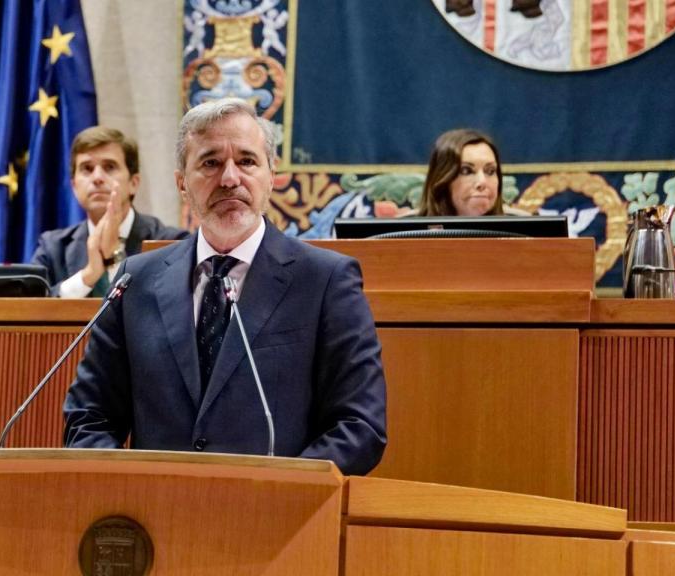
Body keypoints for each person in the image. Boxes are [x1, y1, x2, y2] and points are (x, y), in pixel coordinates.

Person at [63, 98, 387, 475]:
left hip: (278, 519)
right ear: (182, 183)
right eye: (211, 163)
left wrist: (282, 492)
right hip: (155, 517)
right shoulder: (136, 281)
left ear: (270, 175)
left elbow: (359, 425)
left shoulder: (325, 280)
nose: (230, 178)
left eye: (247, 161)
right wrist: (129, 488)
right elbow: (89, 418)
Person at [30, 126, 188, 297]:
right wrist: (88, 275)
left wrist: (114, 262)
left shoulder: (172, 243)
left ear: (133, 183)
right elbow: (28, 308)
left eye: (109, 167)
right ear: (74, 186)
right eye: (87, 168)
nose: (97, 178)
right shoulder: (53, 248)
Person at [418, 128, 506, 217]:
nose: (482, 182)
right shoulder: (410, 228)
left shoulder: (518, 226)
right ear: (443, 180)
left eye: (490, 171)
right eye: (466, 171)